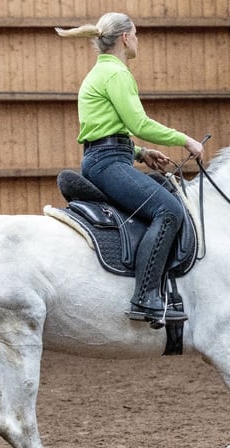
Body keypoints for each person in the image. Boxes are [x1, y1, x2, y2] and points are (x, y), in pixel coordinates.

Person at [56, 13, 205, 327]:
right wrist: (185, 139)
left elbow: (104, 130)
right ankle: (146, 295)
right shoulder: (117, 74)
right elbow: (139, 124)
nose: (137, 39)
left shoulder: (102, 72)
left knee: (165, 192)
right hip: (108, 163)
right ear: (125, 37)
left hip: (108, 157)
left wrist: (140, 152)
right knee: (169, 211)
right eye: (135, 34)